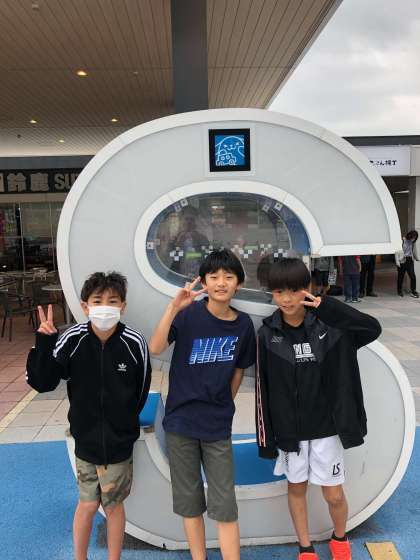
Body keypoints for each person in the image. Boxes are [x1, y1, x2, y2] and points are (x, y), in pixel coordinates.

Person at [255, 258, 381, 560]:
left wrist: (328, 307)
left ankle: (340, 538)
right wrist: (267, 438)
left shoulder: (332, 326)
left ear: (308, 288)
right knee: (296, 489)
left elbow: (372, 328)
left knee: (334, 494)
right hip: (291, 432)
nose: (287, 299)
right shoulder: (267, 334)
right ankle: (305, 547)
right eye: (279, 292)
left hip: (328, 429)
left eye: (294, 290)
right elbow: (263, 389)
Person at [26, 272, 151, 560]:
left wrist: (123, 424)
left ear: (123, 306)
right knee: (87, 504)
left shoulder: (134, 342)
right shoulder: (72, 339)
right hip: (85, 441)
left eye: (113, 301)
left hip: (119, 444)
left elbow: (141, 389)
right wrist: (44, 342)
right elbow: (43, 383)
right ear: (85, 306)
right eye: (97, 301)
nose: (105, 307)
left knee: (114, 506)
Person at [149, 249, 256, 560]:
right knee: (190, 503)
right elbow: (155, 348)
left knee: (225, 505)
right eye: (214, 277)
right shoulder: (188, 315)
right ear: (204, 282)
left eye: (228, 277)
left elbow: (239, 370)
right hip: (180, 422)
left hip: (217, 425)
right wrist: (173, 307)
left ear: (239, 283)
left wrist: (224, 403)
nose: (221, 282)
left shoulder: (243, 325)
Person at [396, 230, 419, 298]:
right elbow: (397, 252)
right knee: (401, 276)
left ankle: (413, 291)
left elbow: (414, 250)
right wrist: (397, 261)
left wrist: (416, 258)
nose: (414, 239)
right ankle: (399, 291)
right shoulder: (403, 240)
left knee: (412, 276)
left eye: (415, 238)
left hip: (409, 260)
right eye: (413, 237)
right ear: (410, 235)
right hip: (402, 260)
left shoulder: (413, 242)